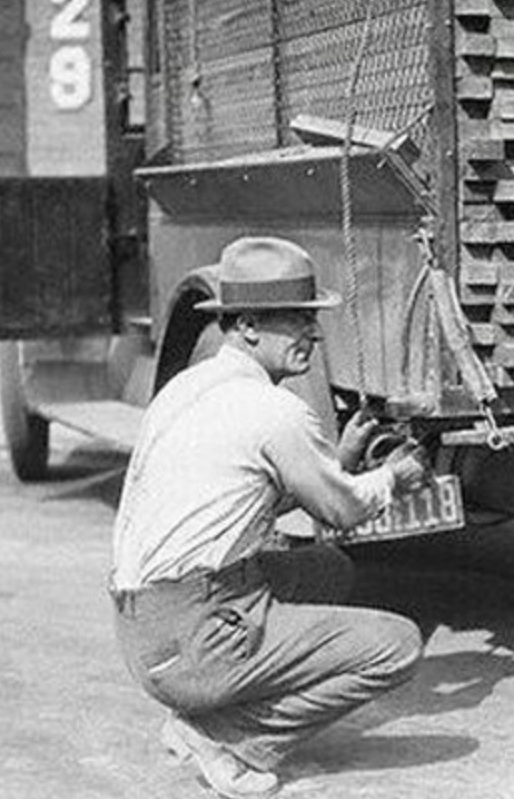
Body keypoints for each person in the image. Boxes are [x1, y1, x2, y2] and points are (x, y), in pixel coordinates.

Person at [110, 236, 427, 798]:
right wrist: (392, 478)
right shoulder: (274, 410)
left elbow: (248, 492)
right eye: (297, 320)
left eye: (312, 318)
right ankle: (229, 737)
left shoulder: (190, 387)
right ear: (250, 325)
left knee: (327, 570)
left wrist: (342, 459)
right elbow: (341, 510)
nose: (314, 332)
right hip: (193, 635)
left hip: (145, 626)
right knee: (397, 646)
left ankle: (216, 698)